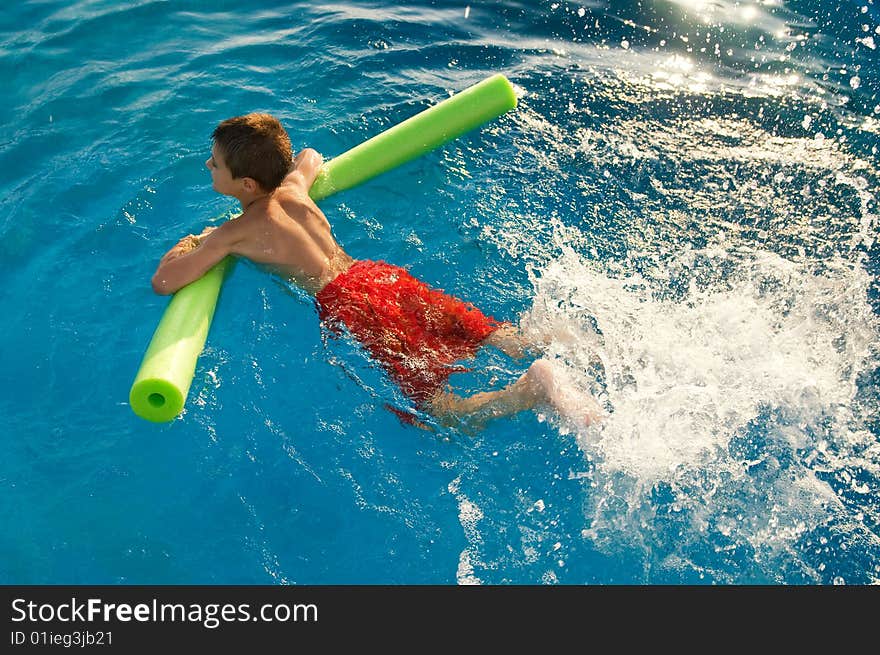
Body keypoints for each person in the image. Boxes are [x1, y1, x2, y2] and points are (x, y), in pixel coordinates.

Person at [152, 113, 602, 430]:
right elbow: (308, 156)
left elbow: (165, 282)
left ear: (245, 185)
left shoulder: (234, 232)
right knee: (488, 335)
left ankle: (531, 390)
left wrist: (192, 242)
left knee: (440, 413)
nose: (208, 166)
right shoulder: (293, 188)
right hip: (380, 275)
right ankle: (578, 344)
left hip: (354, 304)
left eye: (215, 163)